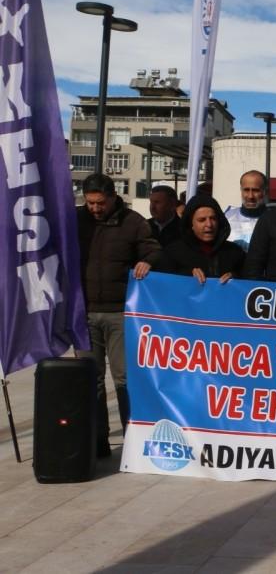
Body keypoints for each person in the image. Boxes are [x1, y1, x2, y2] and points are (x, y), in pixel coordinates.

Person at [75, 173, 160, 457]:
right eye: (90, 203)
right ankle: (97, 440)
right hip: (84, 313)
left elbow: (154, 250)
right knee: (90, 379)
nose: (95, 209)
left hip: (120, 314)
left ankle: (132, 438)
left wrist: (147, 261)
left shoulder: (133, 222)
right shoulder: (75, 219)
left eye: (100, 203)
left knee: (125, 379)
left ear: (113, 198)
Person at [157, 195, 246, 284]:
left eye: (213, 219)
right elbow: (162, 285)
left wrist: (235, 278)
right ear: (191, 224)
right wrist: (186, 275)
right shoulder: (173, 253)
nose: (209, 224)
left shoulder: (235, 252)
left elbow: (250, 279)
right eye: (202, 220)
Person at [225, 170, 267, 252]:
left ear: (264, 191)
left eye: (255, 190)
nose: (250, 196)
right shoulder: (226, 218)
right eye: (246, 190)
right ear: (241, 190)